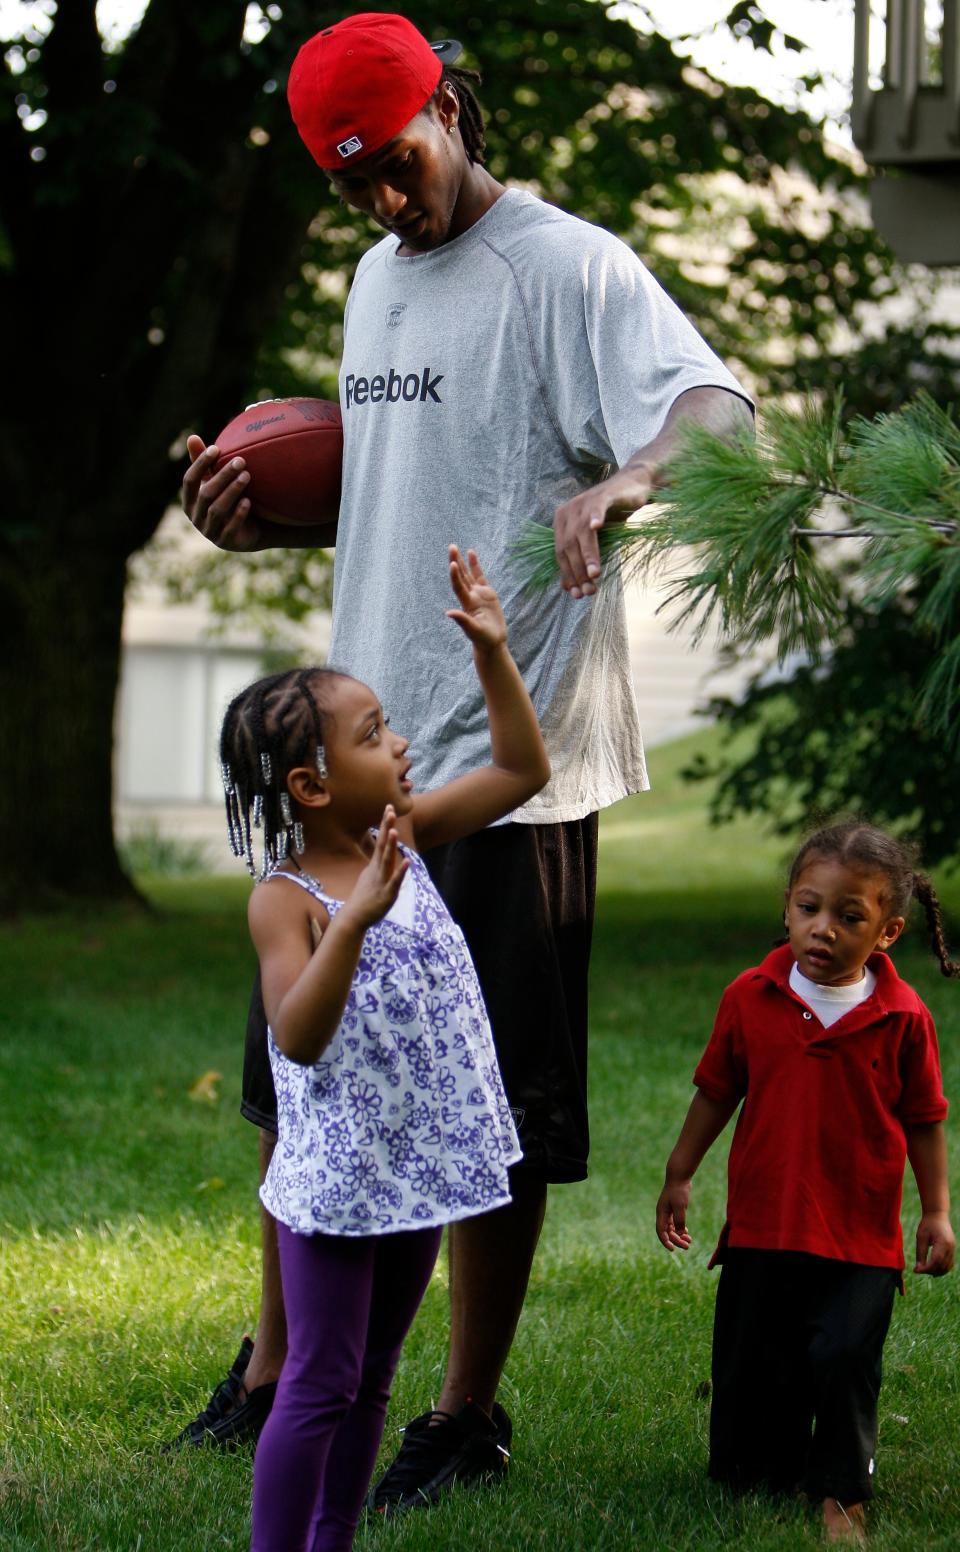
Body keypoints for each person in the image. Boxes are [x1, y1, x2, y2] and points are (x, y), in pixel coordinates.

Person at [174, 9, 754, 1504]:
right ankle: (269, 1371)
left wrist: (628, 475)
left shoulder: (568, 266)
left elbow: (715, 410)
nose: (383, 200)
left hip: (510, 767)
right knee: (299, 1084)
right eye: (351, 181)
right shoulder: (376, 280)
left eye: (398, 163)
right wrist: (262, 507)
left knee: (485, 1115)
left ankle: (462, 1413)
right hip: (348, 757)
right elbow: (406, 487)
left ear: (450, 106)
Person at [222, 546, 548, 1551]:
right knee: (319, 1380)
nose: (402, 744)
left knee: (371, 1379)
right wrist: (354, 921)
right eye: (376, 734)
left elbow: (521, 770)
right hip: (336, 1181)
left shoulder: (399, 835)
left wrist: (496, 652)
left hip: (413, 1166)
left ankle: (332, 1542)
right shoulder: (288, 899)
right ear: (314, 785)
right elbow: (300, 1035)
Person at [656, 821, 957, 1546]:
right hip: (766, 1223)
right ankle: (768, 1465)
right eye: (809, 908)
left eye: (849, 917)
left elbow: (924, 1119)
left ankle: (842, 1492)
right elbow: (716, 1092)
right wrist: (679, 1174)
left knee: (845, 1358)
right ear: (787, 907)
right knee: (755, 1367)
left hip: (859, 1234)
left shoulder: (902, 1018)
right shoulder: (750, 996)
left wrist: (938, 1212)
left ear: (886, 932)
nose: (824, 929)